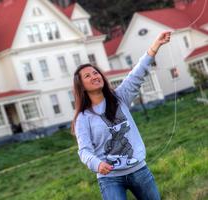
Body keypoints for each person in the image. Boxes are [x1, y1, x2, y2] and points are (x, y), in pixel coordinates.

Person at [71, 31, 171, 200]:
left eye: (96, 73)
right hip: (110, 178)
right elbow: (84, 151)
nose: (95, 76)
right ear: (81, 86)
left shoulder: (120, 97)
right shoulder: (83, 117)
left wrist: (155, 46)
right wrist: (97, 164)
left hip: (139, 171)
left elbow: (138, 73)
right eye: (88, 76)